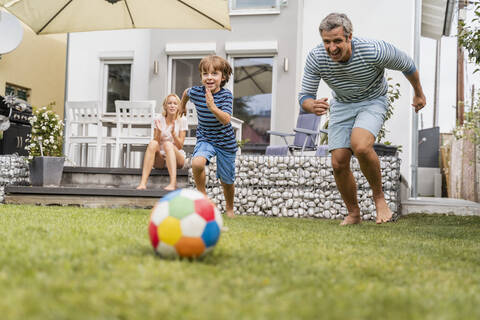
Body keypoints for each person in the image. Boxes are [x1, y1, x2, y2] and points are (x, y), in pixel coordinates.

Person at [299, 13, 426, 225]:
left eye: (337, 41)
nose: (332, 48)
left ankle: (379, 199)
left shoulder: (373, 50)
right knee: (338, 161)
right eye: (327, 42)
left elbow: (408, 65)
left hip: (373, 100)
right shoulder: (316, 57)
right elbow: (305, 97)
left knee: (360, 145)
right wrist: (311, 105)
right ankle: (353, 213)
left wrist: (419, 93)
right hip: (341, 104)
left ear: (349, 37)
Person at [180, 55, 237, 218]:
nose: (209, 77)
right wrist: (183, 105)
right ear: (201, 77)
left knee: (227, 181)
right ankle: (203, 198)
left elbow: (226, 119)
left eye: (214, 74)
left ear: (223, 77)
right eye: (205, 74)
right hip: (206, 138)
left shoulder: (226, 95)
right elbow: (186, 93)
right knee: (197, 163)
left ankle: (230, 208)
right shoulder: (197, 92)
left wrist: (212, 107)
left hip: (225, 143)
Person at [136, 93, 187, 191]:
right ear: (165, 106)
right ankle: (143, 183)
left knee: (168, 144)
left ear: (178, 106)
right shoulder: (158, 119)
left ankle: (173, 183)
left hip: (177, 157)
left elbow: (180, 146)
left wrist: (174, 134)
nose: (172, 106)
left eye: (175, 103)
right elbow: (156, 143)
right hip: (160, 159)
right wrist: (158, 132)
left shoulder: (182, 120)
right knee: (152, 143)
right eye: (169, 103)